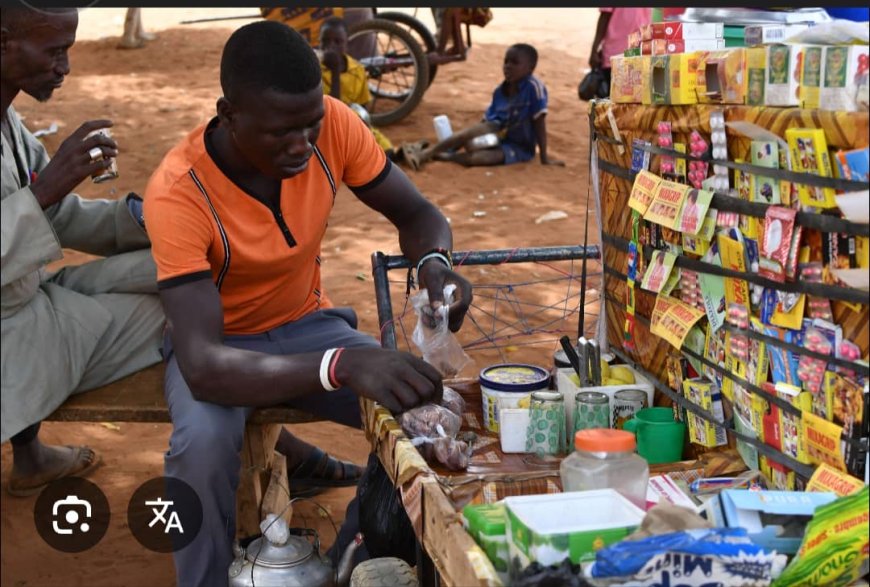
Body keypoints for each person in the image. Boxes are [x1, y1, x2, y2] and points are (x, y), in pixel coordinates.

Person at [142, 21, 473, 586]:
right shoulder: (179, 191)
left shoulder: (335, 128)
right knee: (201, 448)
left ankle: (350, 557)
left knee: (424, 406)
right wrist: (341, 365)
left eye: (310, 125)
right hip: (223, 353)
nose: (301, 146)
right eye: (280, 133)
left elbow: (418, 215)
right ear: (228, 114)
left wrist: (433, 266)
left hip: (307, 324)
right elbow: (202, 366)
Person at [1, 6, 164, 495]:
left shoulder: (7, 118)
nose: (65, 67)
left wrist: (145, 217)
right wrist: (46, 188)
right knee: (187, 304)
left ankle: (31, 458)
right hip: (14, 337)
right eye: (54, 51)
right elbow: (43, 200)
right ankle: (275, 440)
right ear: (4, 42)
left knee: (177, 267)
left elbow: (58, 215)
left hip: (30, 301)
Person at [405, 43, 564, 170]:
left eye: (514, 63)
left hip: (520, 146)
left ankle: (443, 156)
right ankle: (425, 154)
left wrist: (544, 157)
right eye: (506, 61)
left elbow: (539, 123)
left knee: (479, 159)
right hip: (497, 128)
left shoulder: (534, 89)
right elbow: (487, 121)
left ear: (530, 69)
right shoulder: (500, 91)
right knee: (466, 134)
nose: (507, 66)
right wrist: (466, 139)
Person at [318, 16, 398, 160]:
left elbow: (362, 107)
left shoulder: (357, 69)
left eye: (338, 41)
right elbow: (331, 113)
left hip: (354, 123)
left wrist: (361, 126)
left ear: (346, 45)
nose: (331, 46)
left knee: (387, 151)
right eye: (325, 41)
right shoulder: (315, 70)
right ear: (319, 43)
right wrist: (335, 71)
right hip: (327, 127)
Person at [588, 8, 651, 86]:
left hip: (638, 54)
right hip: (615, 56)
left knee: (634, 94)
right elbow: (604, 17)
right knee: (613, 94)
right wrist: (594, 50)